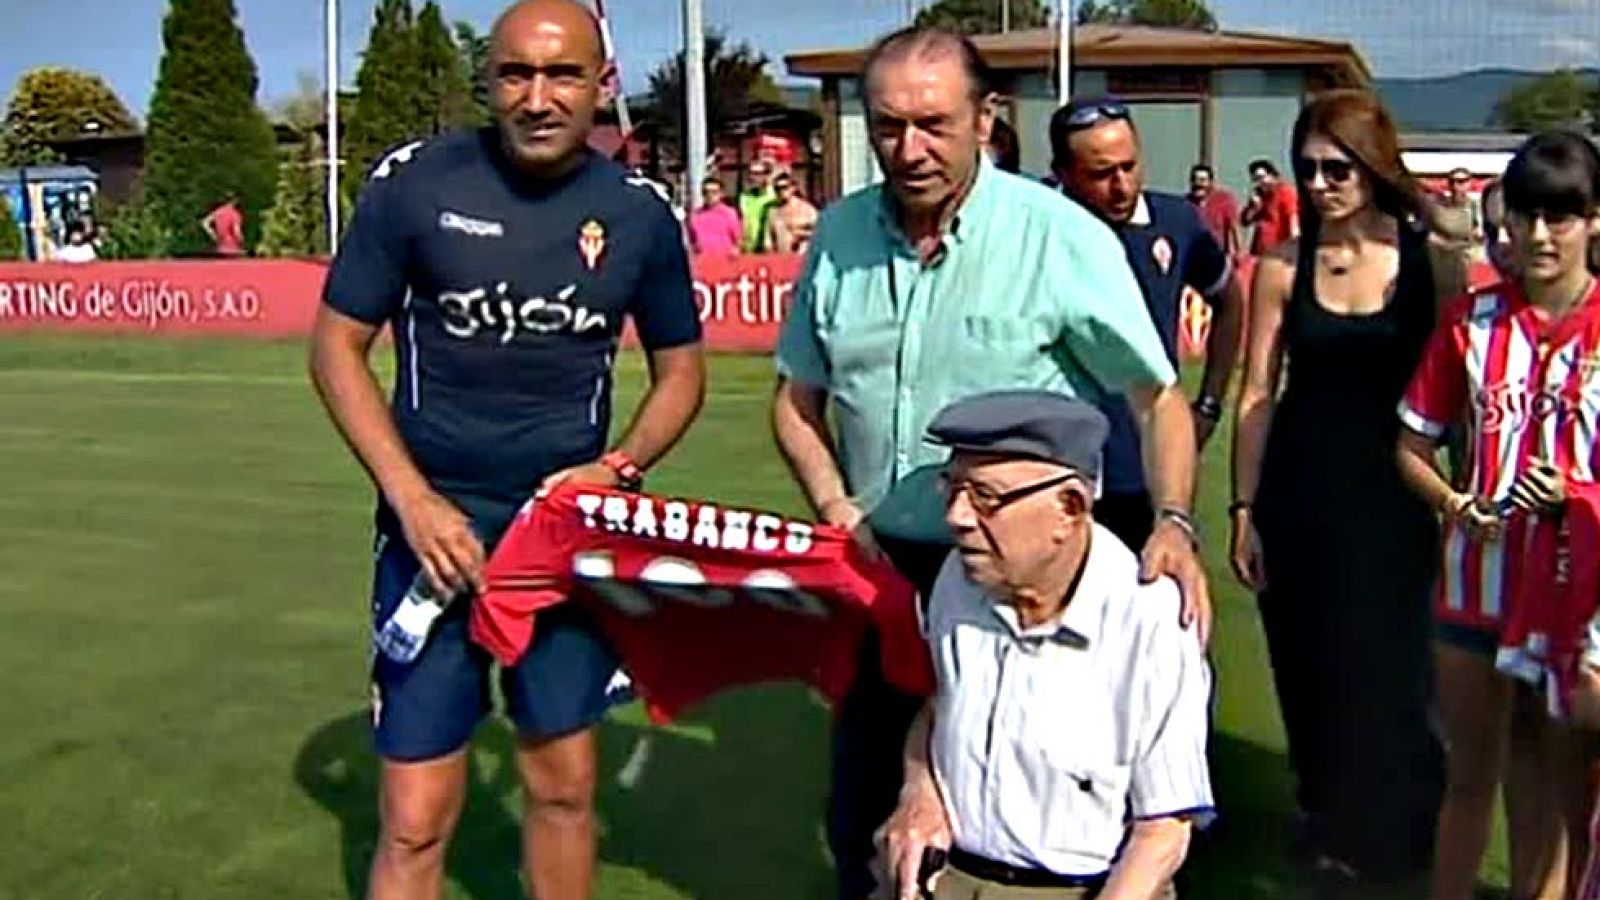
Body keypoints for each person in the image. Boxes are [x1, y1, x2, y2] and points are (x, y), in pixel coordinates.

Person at [771, 26, 1209, 900]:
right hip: (879, 568)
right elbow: (796, 399)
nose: (909, 149)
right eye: (889, 127)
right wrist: (835, 505)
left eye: (933, 124)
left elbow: (1155, 398)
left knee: (1035, 818)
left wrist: (1173, 521)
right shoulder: (842, 236)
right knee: (868, 813)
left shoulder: (1057, 237)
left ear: (986, 119)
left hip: (1020, 581)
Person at [307, 3, 706, 899]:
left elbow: (681, 374)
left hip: (564, 544)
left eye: (562, 75)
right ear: (487, 81)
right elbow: (336, 347)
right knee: (412, 819)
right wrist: (412, 499)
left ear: (603, 85)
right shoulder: (415, 184)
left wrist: (617, 470)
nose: (537, 97)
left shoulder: (637, 214)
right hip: (429, 538)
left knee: (562, 790)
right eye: (515, 74)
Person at [1229, 89, 1449, 885]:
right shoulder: (1283, 266)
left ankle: (1409, 823)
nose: (1320, 184)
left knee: (1397, 667)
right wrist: (1243, 510)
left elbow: (1464, 382)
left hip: (1394, 497)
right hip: (1301, 492)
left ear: (1373, 165)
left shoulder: (1430, 260)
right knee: (1309, 661)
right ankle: (1324, 817)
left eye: (1337, 168)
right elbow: (1258, 392)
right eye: (1308, 169)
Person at [875, 390, 1213, 900]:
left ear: (1070, 508)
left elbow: (1163, 833)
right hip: (948, 878)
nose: (958, 517)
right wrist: (918, 793)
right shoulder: (959, 577)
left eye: (985, 496)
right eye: (953, 487)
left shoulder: (1150, 620)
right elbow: (938, 706)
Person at [1397, 130, 1600, 900]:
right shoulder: (1470, 323)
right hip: (1472, 588)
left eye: (1563, 216)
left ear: (1594, 219)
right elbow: (1410, 446)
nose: (1541, 236)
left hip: (1572, 600)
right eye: (1527, 216)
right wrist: (1456, 504)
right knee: (1470, 778)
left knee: (1551, 792)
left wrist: (1576, 496)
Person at [1049, 97, 1245, 547]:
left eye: (1129, 166)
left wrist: (1209, 405)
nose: (1121, 185)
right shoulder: (1042, 231)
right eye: (1101, 174)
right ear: (1063, 173)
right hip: (1060, 471)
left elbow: (1230, 301)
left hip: (1151, 472)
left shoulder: (1176, 221)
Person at [1241, 159, 1299, 256]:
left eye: (1261, 178)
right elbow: (1245, 221)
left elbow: (1292, 219)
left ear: (1273, 176)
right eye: (1255, 180)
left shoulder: (1285, 192)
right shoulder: (1259, 196)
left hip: (1278, 251)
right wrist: (1254, 208)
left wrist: (1294, 246)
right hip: (1259, 251)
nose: (1259, 183)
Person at [1188, 163, 1244, 262]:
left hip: (1218, 256)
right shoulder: (1185, 203)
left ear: (1211, 182)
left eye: (1202, 180)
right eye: (1194, 180)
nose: (1198, 184)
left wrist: (1239, 253)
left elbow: (1234, 227)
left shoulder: (1224, 200)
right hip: (1193, 257)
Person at [1432, 167, 1484, 253]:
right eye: (1452, 181)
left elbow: (1478, 231)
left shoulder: (1475, 205)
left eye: (1461, 181)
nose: (1456, 185)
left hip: (1467, 251)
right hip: (1444, 251)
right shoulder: (1439, 204)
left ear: (1469, 183)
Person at [766, 171, 819, 255]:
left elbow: (820, 234)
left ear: (793, 188)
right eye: (777, 188)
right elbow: (768, 242)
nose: (781, 191)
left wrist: (799, 234)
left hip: (803, 258)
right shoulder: (773, 212)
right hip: (781, 259)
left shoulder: (807, 209)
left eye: (784, 187)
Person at [688, 177, 742, 257]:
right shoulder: (695, 215)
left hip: (725, 261)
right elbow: (692, 242)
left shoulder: (729, 213)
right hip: (703, 262)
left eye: (714, 192)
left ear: (721, 193)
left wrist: (736, 251)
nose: (709, 195)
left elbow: (739, 239)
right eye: (706, 192)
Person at [739, 158, 777, 253]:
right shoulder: (744, 196)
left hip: (770, 248)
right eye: (751, 173)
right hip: (749, 248)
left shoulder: (774, 195)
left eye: (757, 174)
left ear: (765, 175)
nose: (753, 177)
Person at [201, 192, 246, 258]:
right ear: (235, 201)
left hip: (220, 248)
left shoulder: (218, 212)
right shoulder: (234, 214)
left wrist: (213, 234)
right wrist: (242, 242)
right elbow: (236, 231)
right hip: (233, 248)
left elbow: (205, 222)